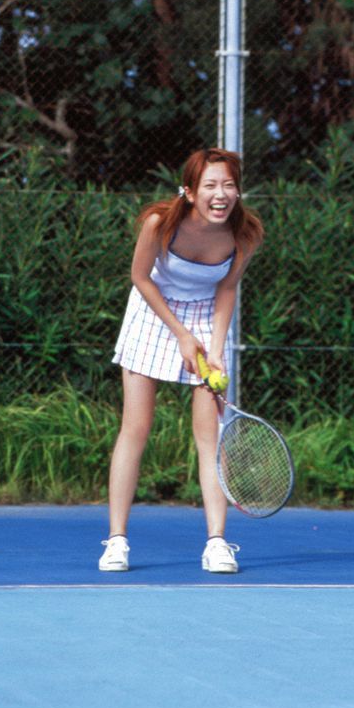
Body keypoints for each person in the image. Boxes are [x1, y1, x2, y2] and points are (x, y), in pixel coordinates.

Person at [100, 146, 264, 574]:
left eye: (229, 185)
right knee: (135, 428)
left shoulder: (245, 234)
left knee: (210, 437)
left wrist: (216, 348)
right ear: (190, 192)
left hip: (207, 315)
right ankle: (116, 541)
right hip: (153, 311)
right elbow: (139, 277)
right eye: (210, 185)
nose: (220, 194)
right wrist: (181, 335)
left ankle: (217, 543)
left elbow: (226, 288)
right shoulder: (160, 224)